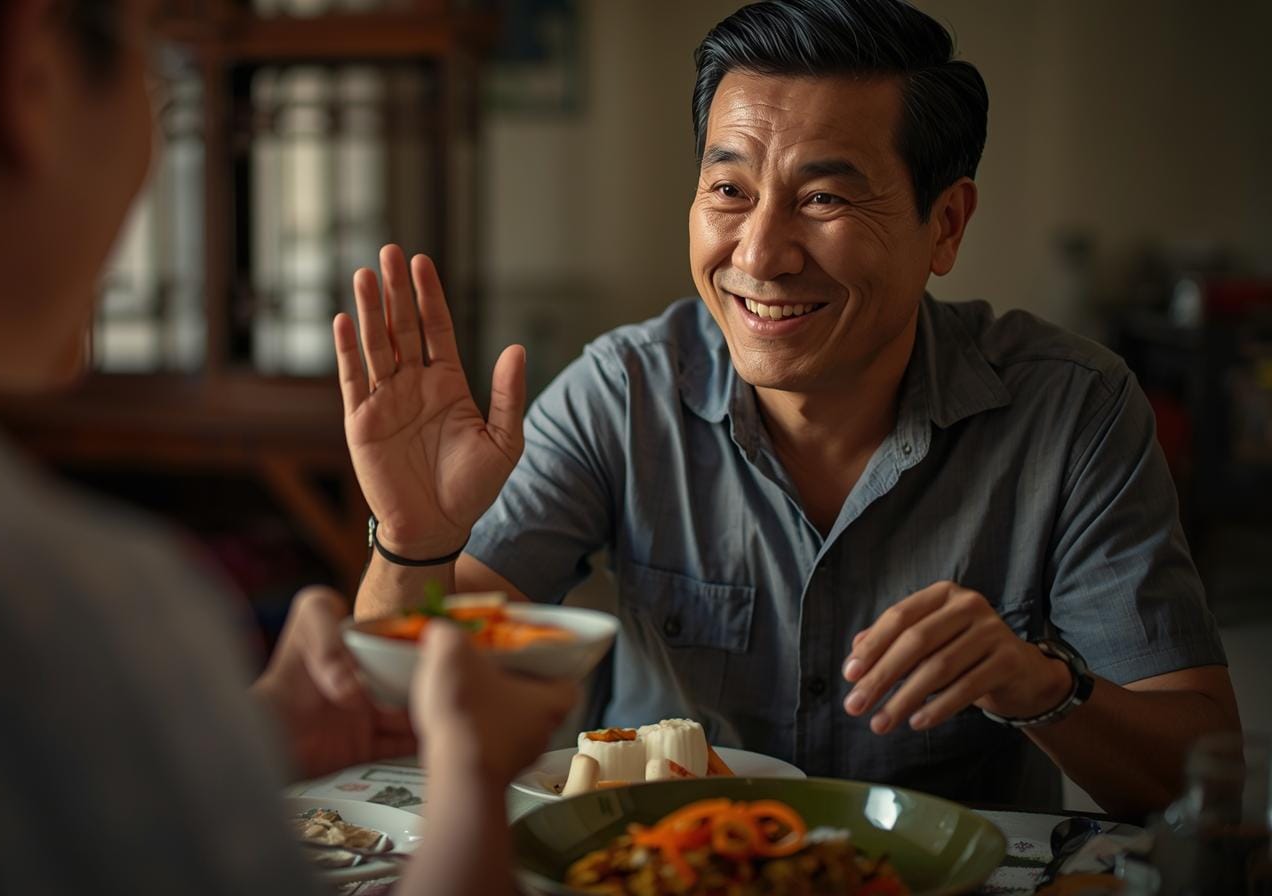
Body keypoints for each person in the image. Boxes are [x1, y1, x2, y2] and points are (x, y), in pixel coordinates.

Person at [0, 0, 578, 892]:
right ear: (29, 69)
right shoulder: (30, 607)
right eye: (155, 68)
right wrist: (470, 773)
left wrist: (239, 736)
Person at [337, 0, 1239, 816]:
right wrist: (414, 540)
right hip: (663, 867)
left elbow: (1203, 777)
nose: (760, 254)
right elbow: (407, 704)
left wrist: (1043, 686)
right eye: (729, 190)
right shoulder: (624, 392)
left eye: (824, 197)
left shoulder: (1070, 411)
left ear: (946, 225)